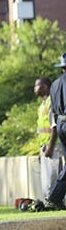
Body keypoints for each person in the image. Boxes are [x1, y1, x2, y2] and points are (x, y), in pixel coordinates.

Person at [44, 54, 66, 210]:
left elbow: (53, 110)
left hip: (61, 123)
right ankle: (54, 196)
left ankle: (55, 197)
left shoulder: (55, 84)